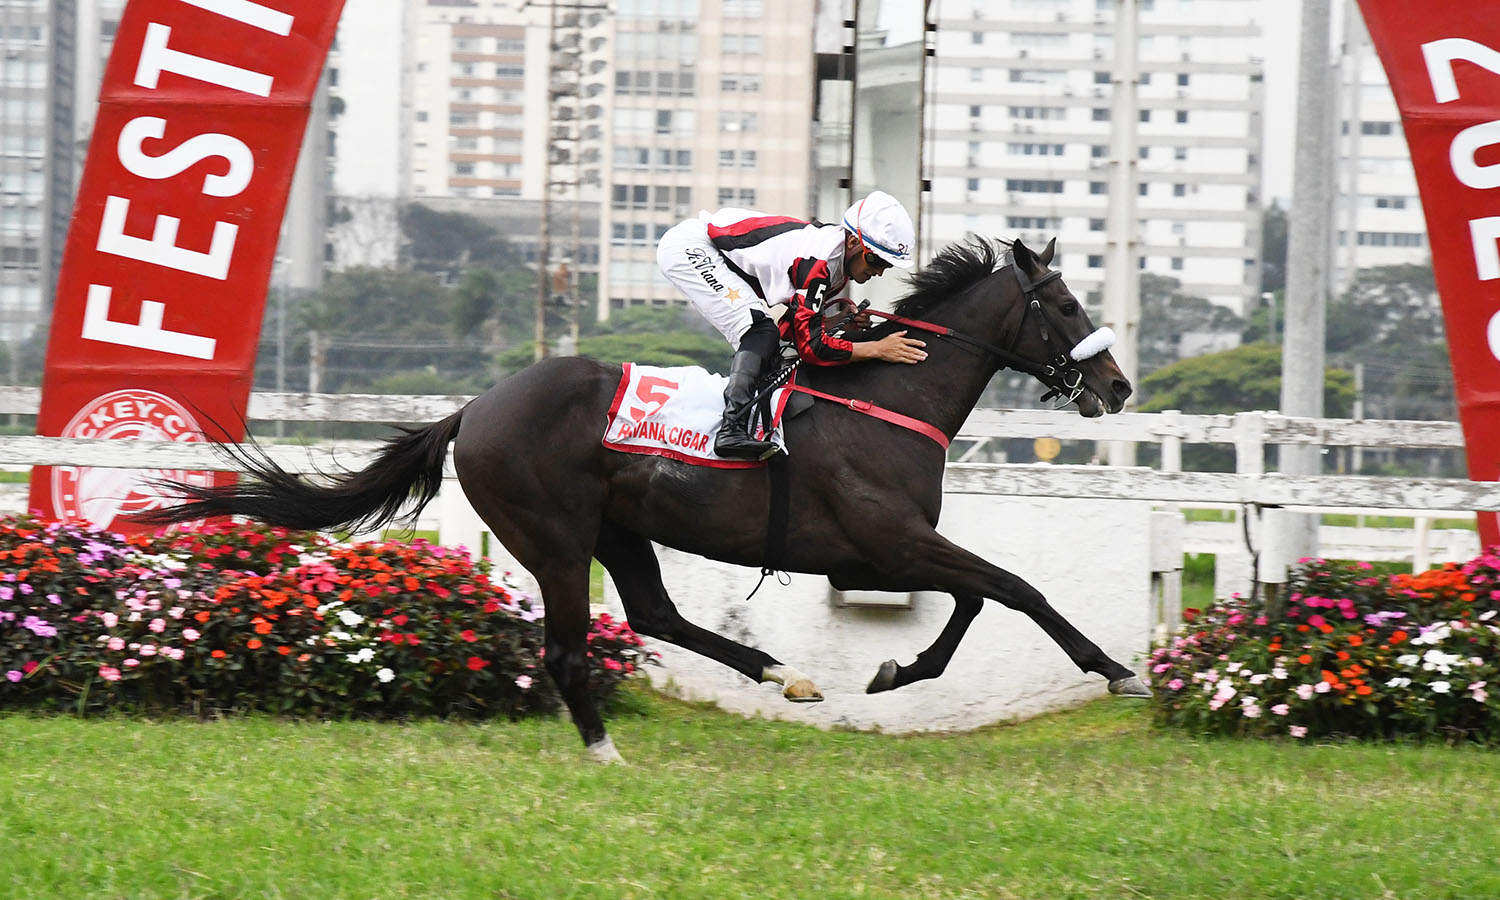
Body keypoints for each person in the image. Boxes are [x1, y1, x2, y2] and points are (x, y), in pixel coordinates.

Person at [656, 190, 929, 460]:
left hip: (711, 252)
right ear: (853, 243)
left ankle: (755, 428)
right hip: (693, 249)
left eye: (887, 265)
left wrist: (835, 322)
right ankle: (731, 428)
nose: (878, 270)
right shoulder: (820, 263)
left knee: (769, 339)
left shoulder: (835, 267)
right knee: (758, 332)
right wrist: (878, 349)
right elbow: (811, 348)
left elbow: (792, 332)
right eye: (876, 259)